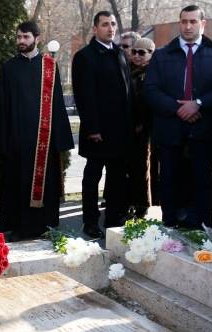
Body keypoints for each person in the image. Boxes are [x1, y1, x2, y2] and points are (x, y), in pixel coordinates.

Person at [145, 4, 212, 229]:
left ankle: (203, 229)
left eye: (193, 22)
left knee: (202, 183)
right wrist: (179, 108)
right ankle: (171, 226)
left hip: (202, 130)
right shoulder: (163, 54)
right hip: (170, 131)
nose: (188, 26)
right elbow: (151, 90)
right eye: (184, 21)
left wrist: (198, 105)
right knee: (170, 181)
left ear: (203, 24)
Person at [0, 21, 73, 241]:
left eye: (25, 37)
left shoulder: (49, 66)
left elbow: (56, 104)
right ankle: (18, 227)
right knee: (17, 184)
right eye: (18, 37)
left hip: (42, 142)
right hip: (17, 139)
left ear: (37, 38)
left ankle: (44, 226)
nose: (21, 41)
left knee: (45, 186)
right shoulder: (9, 67)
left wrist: (60, 140)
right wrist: (2, 139)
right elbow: (1, 105)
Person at [72, 11, 133, 238]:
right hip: (98, 131)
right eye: (105, 24)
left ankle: (114, 220)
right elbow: (84, 96)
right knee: (92, 178)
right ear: (96, 28)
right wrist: (93, 127)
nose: (111, 28)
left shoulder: (119, 53)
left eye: (113, 24)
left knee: (117, 178)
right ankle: (90, 221)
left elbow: (128, 92)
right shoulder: (85, 56)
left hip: (120, 131)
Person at [128, 37, 156, 218]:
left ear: (150, 54)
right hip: (127, 127)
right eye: (134, 52)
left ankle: (142, 204)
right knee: (127, 168)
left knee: (142, 168)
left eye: (141, 52)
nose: (137, 56)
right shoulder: (128, 71)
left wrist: (142, 124)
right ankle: (128, 201)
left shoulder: (153, 74)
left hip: (146, 128)